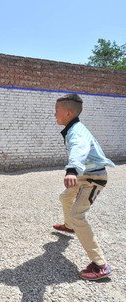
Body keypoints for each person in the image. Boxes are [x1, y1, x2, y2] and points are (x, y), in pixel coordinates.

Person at [53, 94, 114, 281]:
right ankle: (70, 227)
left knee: (77, 215)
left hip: (94, 178)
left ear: (68, 113)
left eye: (57, 111)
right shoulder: (73, 127)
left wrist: (71, 170)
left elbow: (79, 148)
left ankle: (100, 265)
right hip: (84, 175)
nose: (54, 114)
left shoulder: (76, 132)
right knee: (65, 198)